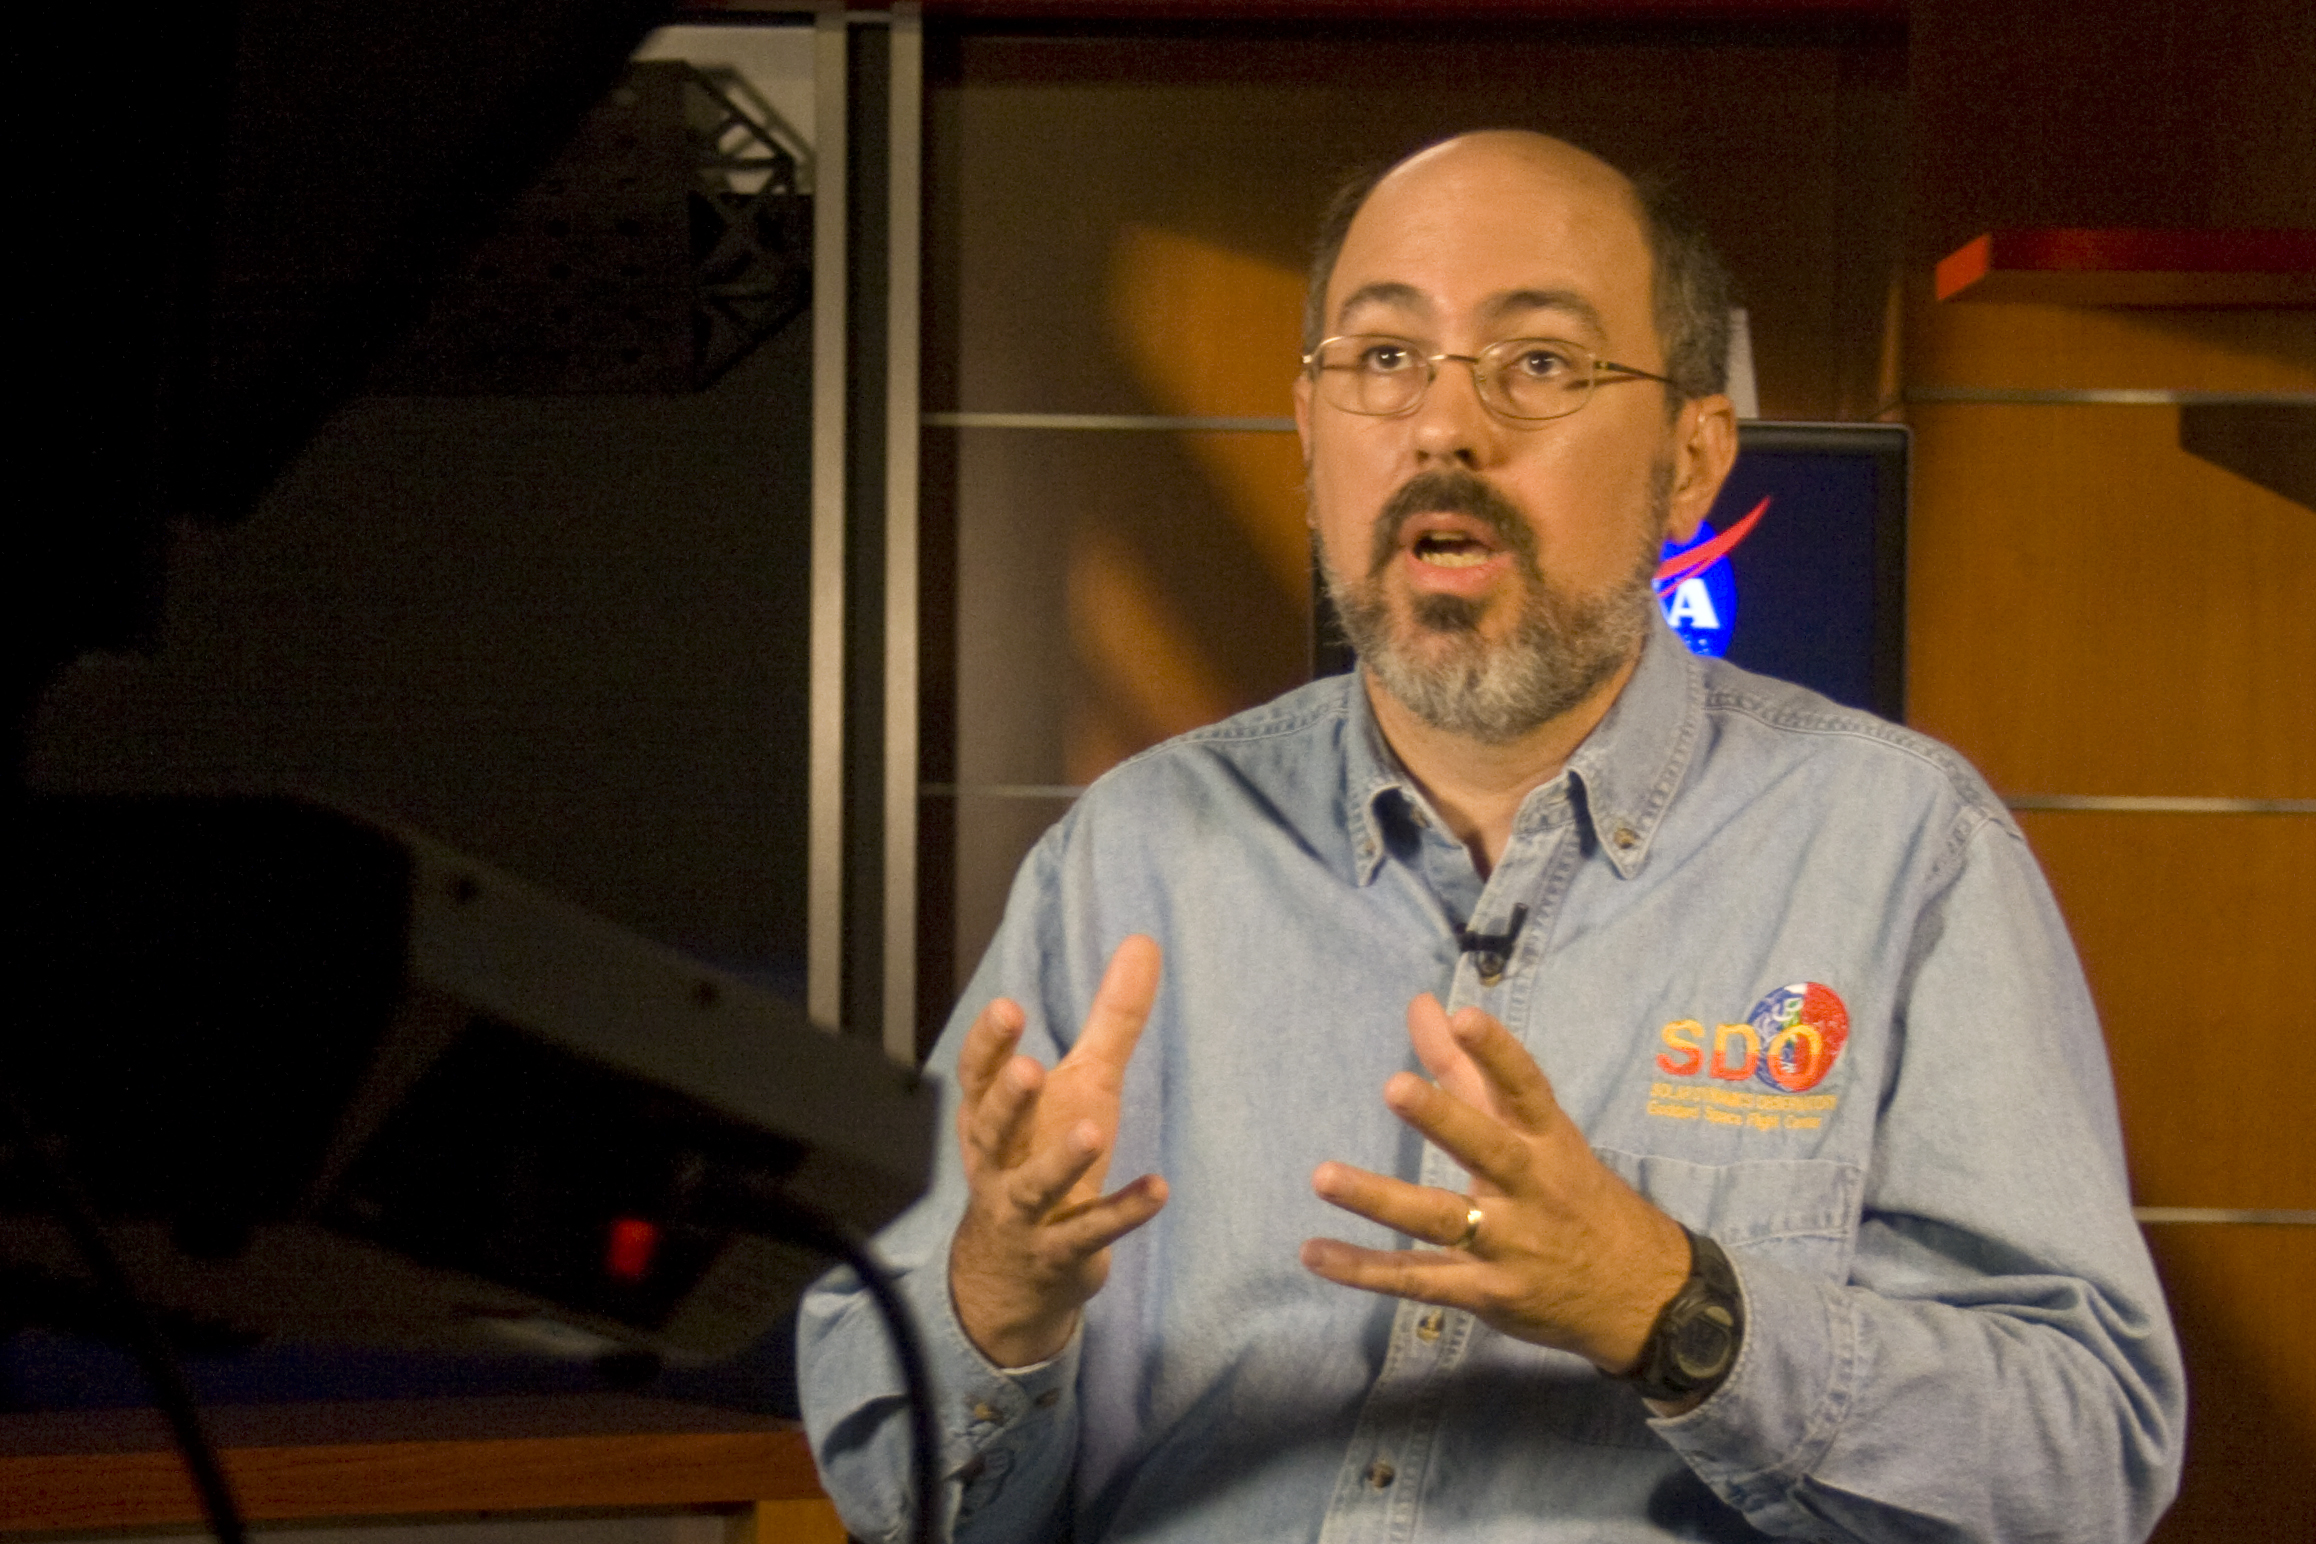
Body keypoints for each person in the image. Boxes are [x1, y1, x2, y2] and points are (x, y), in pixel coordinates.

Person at [800, 130, 2184, 1542]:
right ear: (1311, 428)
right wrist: (997, 1301)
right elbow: (895, 1494)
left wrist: (1671, 1306)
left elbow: (2089, 1462)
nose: (1442, 430)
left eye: (1539, 364)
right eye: (1384, 359)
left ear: (1692, 458)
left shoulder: (1905, 852)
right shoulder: (1132, 854)